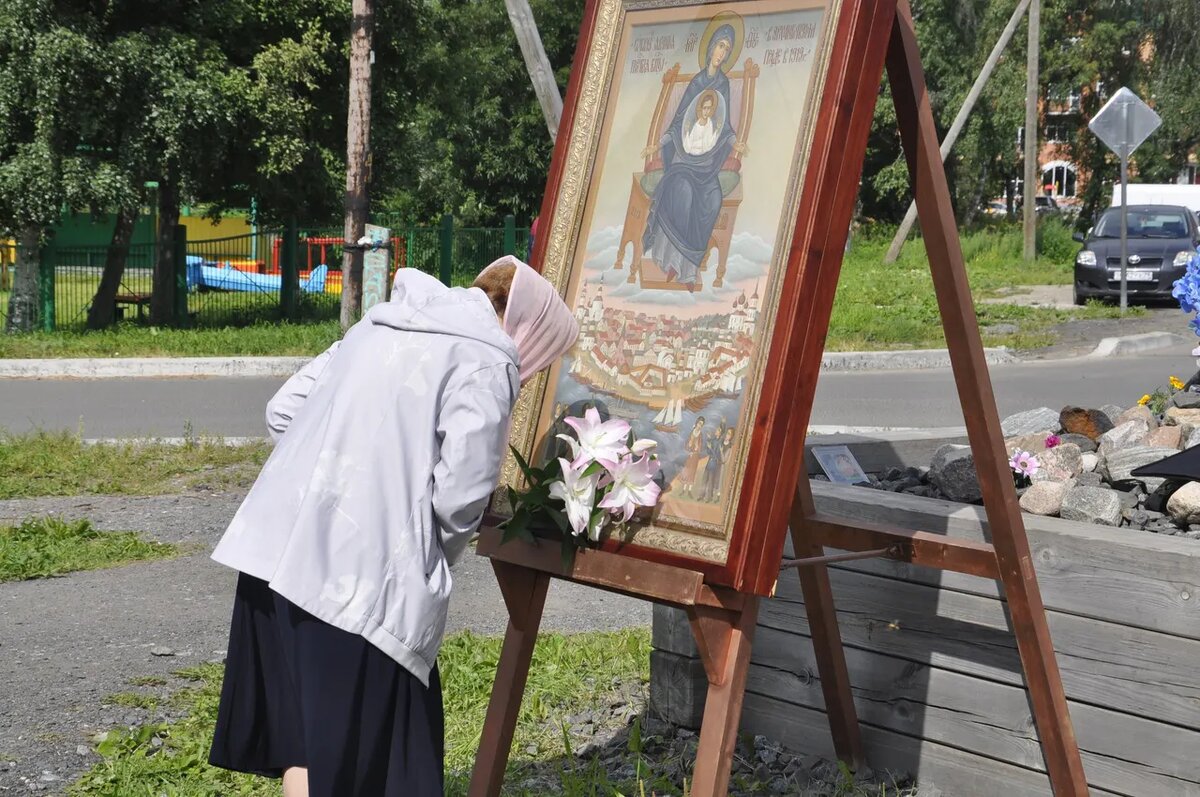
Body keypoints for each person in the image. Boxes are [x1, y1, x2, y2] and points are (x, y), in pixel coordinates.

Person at [207, 255, 579, 797]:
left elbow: (283, 410)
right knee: (365, 760)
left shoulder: (382, 321)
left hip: (273, 555)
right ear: (528, 327)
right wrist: (419, 548)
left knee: (306, 745)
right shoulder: (486, 357)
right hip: (353, 585)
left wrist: (342, 477)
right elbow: (460, 498)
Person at [640, 23, 745, 290]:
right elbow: (677, 124)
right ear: (711, 48)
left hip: (707, 166)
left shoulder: (723, 84)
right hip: (683, 161)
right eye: (720, 46)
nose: (722, 52)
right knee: (683, 192)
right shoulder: (697, 82)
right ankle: (672, 262)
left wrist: (736, 143)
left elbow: (725, 126)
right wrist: (656, 147)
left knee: (712, 198)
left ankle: (688, 268)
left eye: (727, 49)